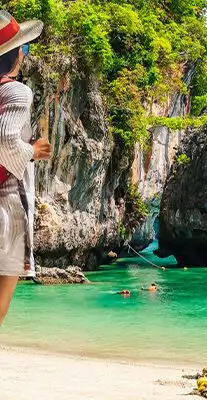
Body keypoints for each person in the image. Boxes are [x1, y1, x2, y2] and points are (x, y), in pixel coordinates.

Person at [0, 11, 51, 325]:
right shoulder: (14, 91)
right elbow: (5, 142)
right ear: (13, 56)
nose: (24, 53)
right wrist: (32, 151)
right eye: (23, 48)